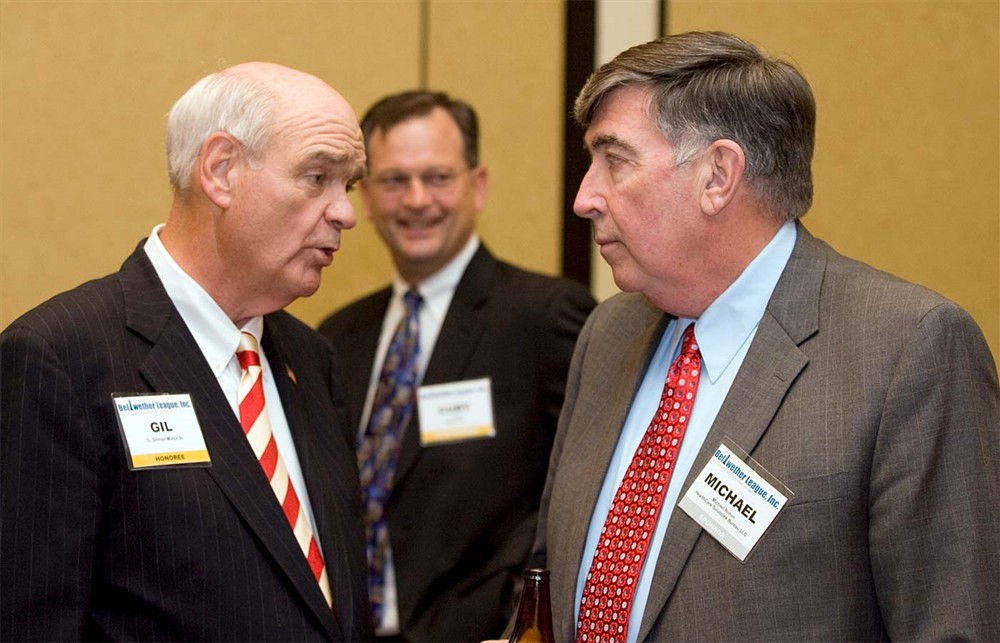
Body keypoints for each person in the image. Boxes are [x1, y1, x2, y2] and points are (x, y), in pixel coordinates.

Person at [532, 31, 1000, 642]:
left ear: (718, 175)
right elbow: (545, 580)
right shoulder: (608, 334)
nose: (584, 198)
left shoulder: (907, 350)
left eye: (614, 160)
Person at [0, 62, 373, 641]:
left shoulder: (313, 360)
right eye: (316, 177)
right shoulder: (61, 358)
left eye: (346, 186)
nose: (347, 212)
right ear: (221, 170)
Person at [317, 90, 596, 641]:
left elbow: (585, 487)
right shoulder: (336, 335)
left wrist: (520, 610)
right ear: (366, 197)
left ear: (479, 185)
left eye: (438, 177)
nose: (417, 200)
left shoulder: (546, 317)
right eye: (395, 181)